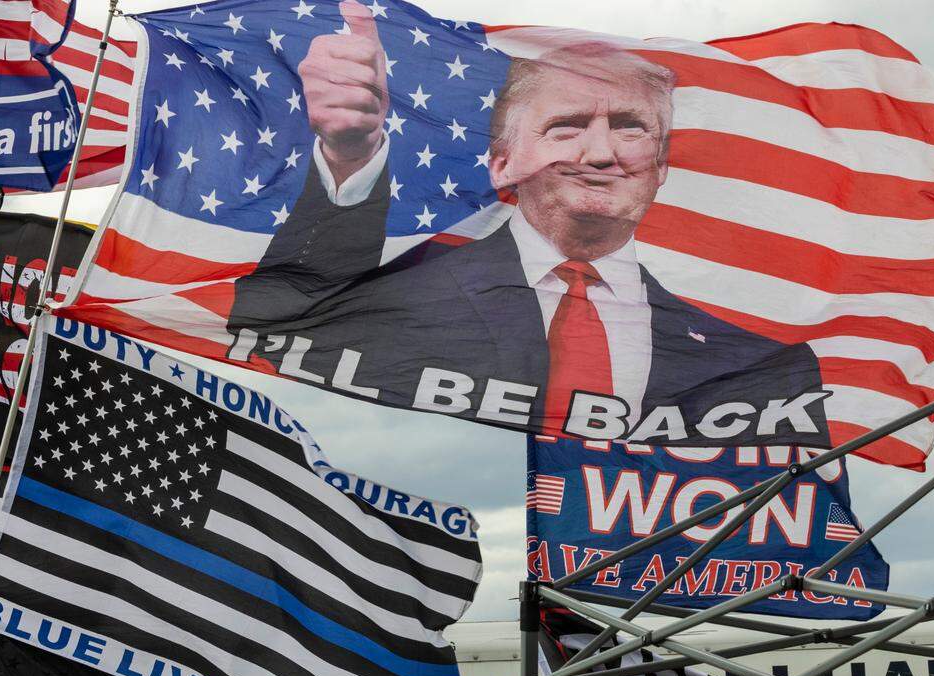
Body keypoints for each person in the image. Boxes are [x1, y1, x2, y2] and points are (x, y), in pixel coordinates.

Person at [229, 2, 827, 444]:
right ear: (502, 164)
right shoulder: (400, 302)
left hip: (638, 595)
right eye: (565, 126)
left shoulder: (762, 366)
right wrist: (348, 154)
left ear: (661, 167)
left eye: (630, 127)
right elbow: (272, 314)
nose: (600, 153)